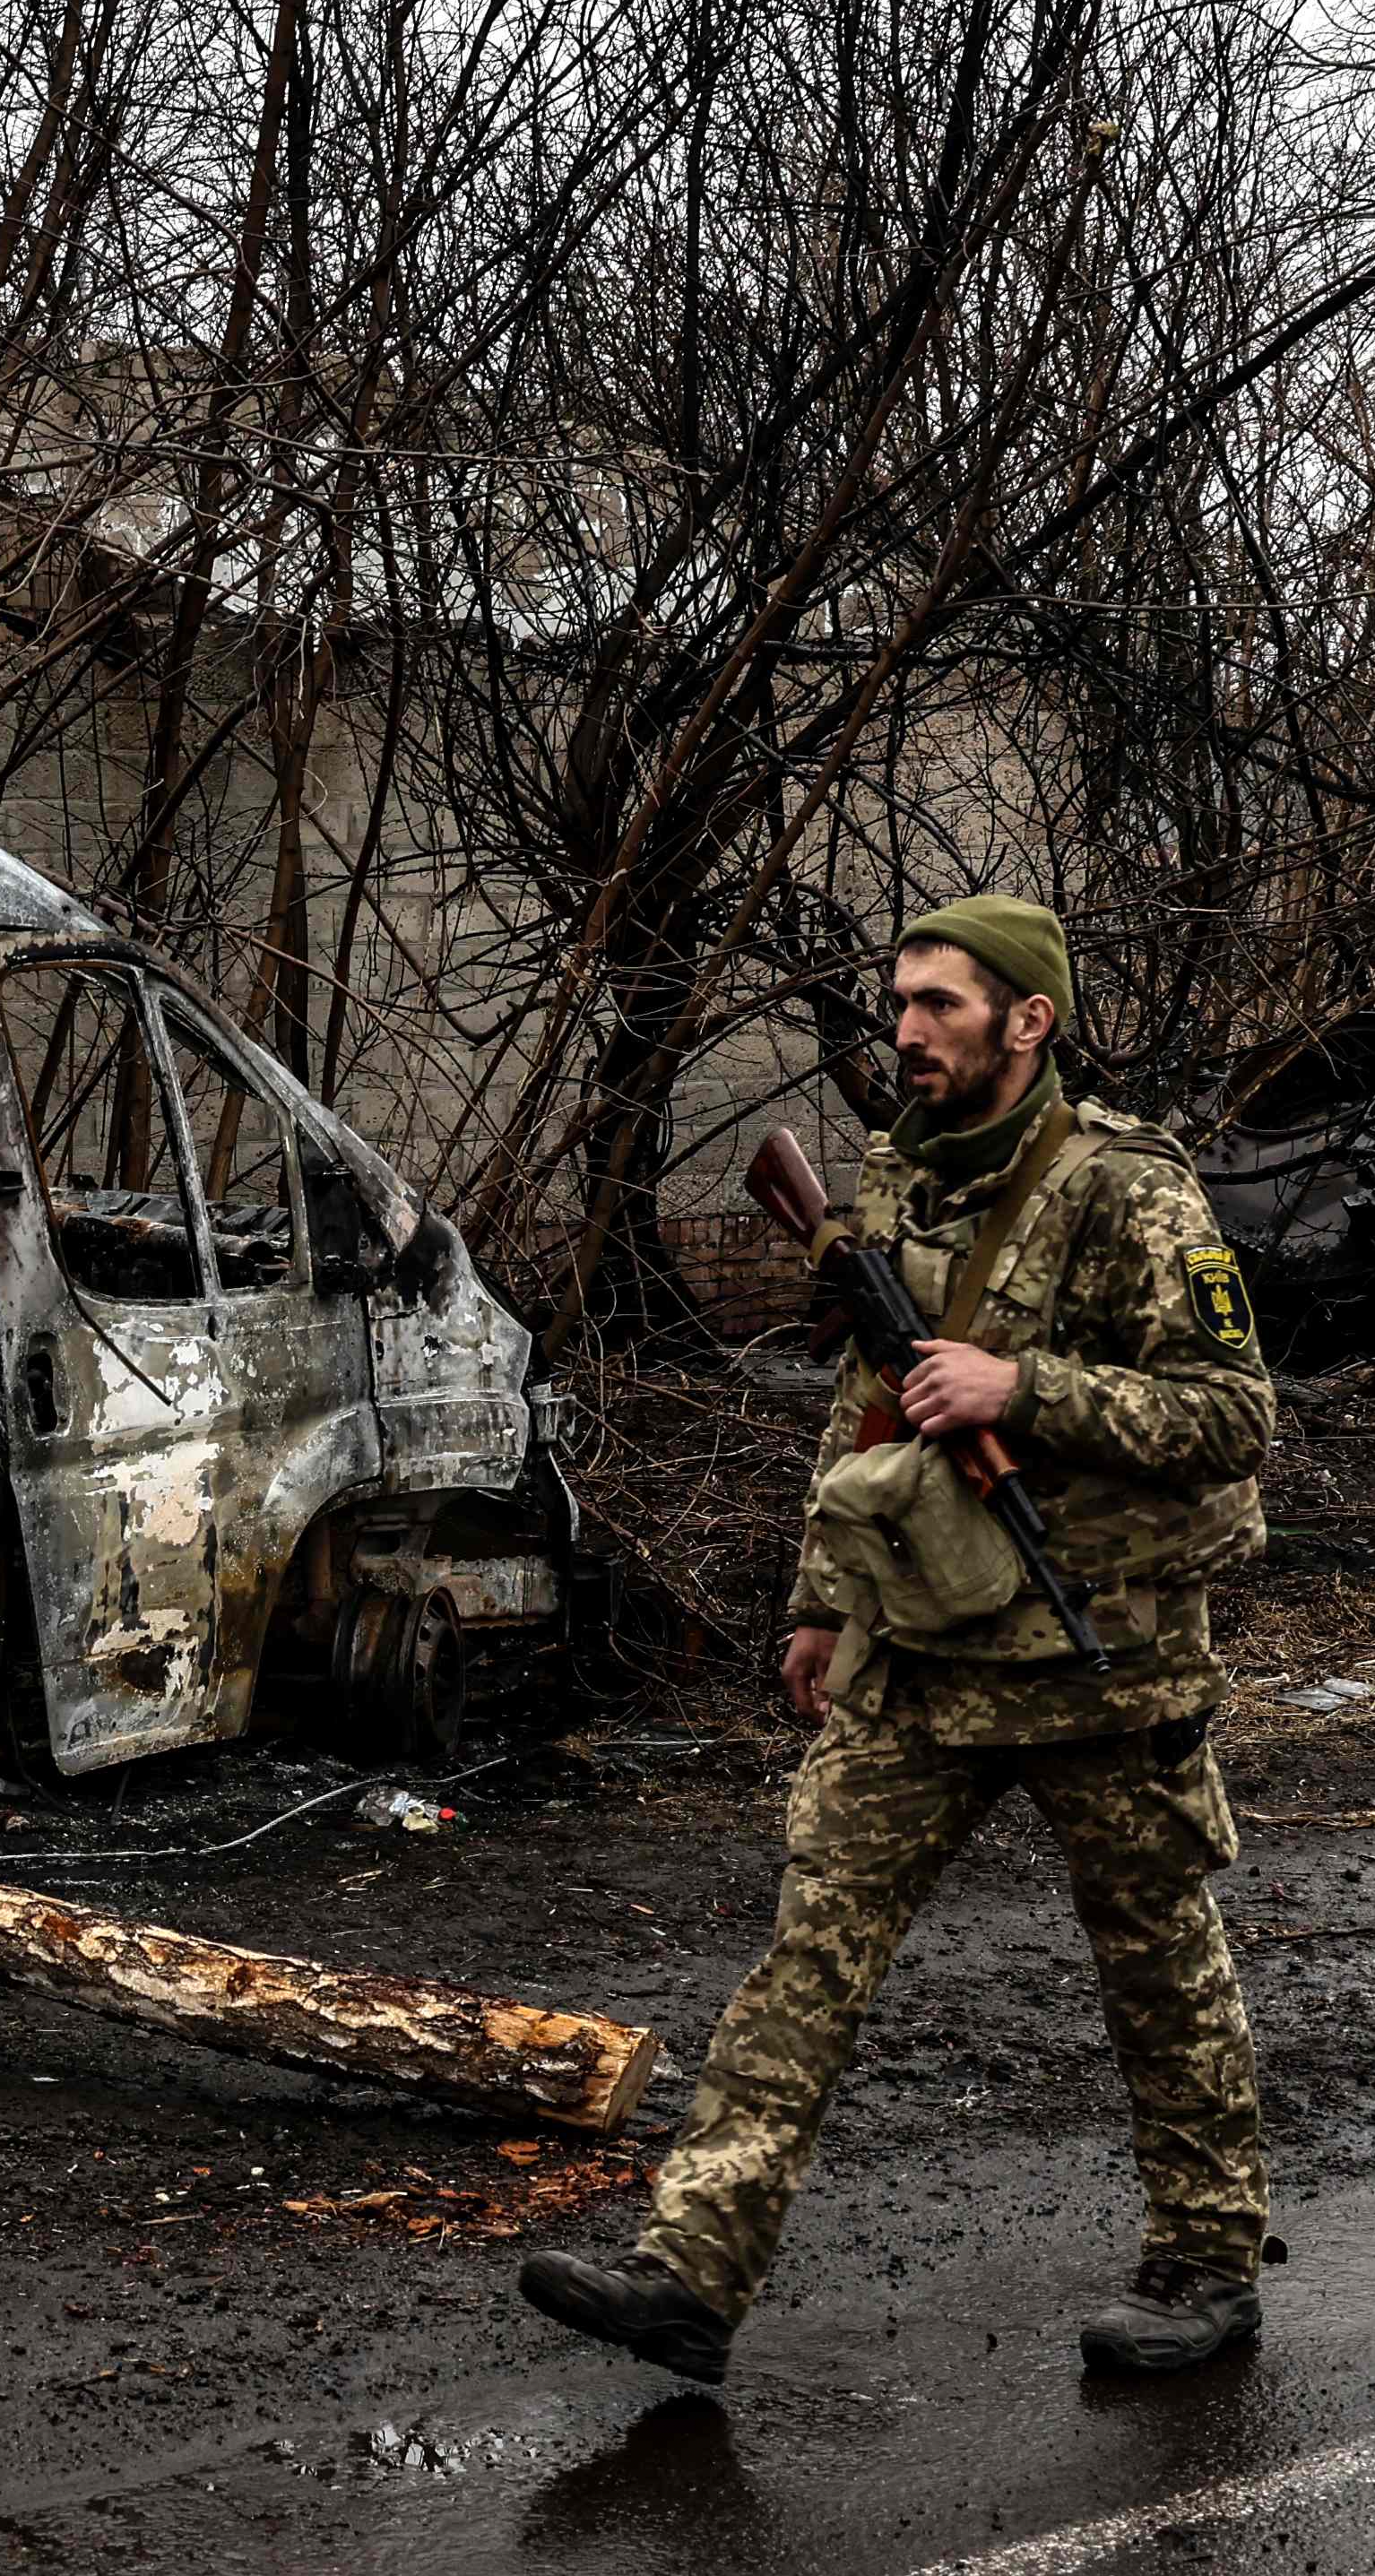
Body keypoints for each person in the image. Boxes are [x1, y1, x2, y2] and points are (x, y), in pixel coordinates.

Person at [522, 894, 1279, 2384]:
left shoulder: (1132, 1193)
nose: (909, 1032)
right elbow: (867, 1400)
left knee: (1157, 1969)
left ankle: (1204, 2263)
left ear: (1028, 1020)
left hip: (1099, 1660)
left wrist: (1026, 1390)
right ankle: (689, 2272)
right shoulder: (894, 1179)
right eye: (901, 1006)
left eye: (939, 1005)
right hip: (920, 1650)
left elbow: (1234, 1417)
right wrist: (820, 1598)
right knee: (809, 1955)